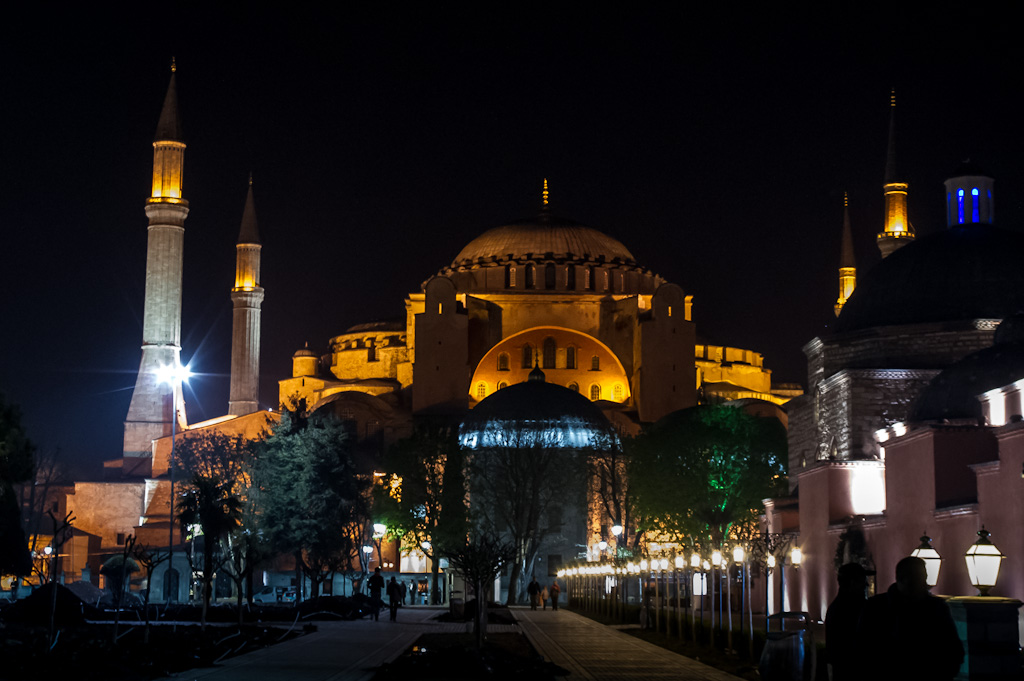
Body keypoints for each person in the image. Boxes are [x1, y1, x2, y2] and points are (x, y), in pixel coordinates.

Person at [858, 556, 963, 681]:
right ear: (902, 579)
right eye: (920, 579)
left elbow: (953, 649)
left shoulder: (875, 606)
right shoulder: (875, 608)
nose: (925, 584)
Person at [825, 563, 873, 681]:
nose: (866, 585)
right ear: (853, 583)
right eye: (862, 581)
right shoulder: (856, 609)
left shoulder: (835, 608)